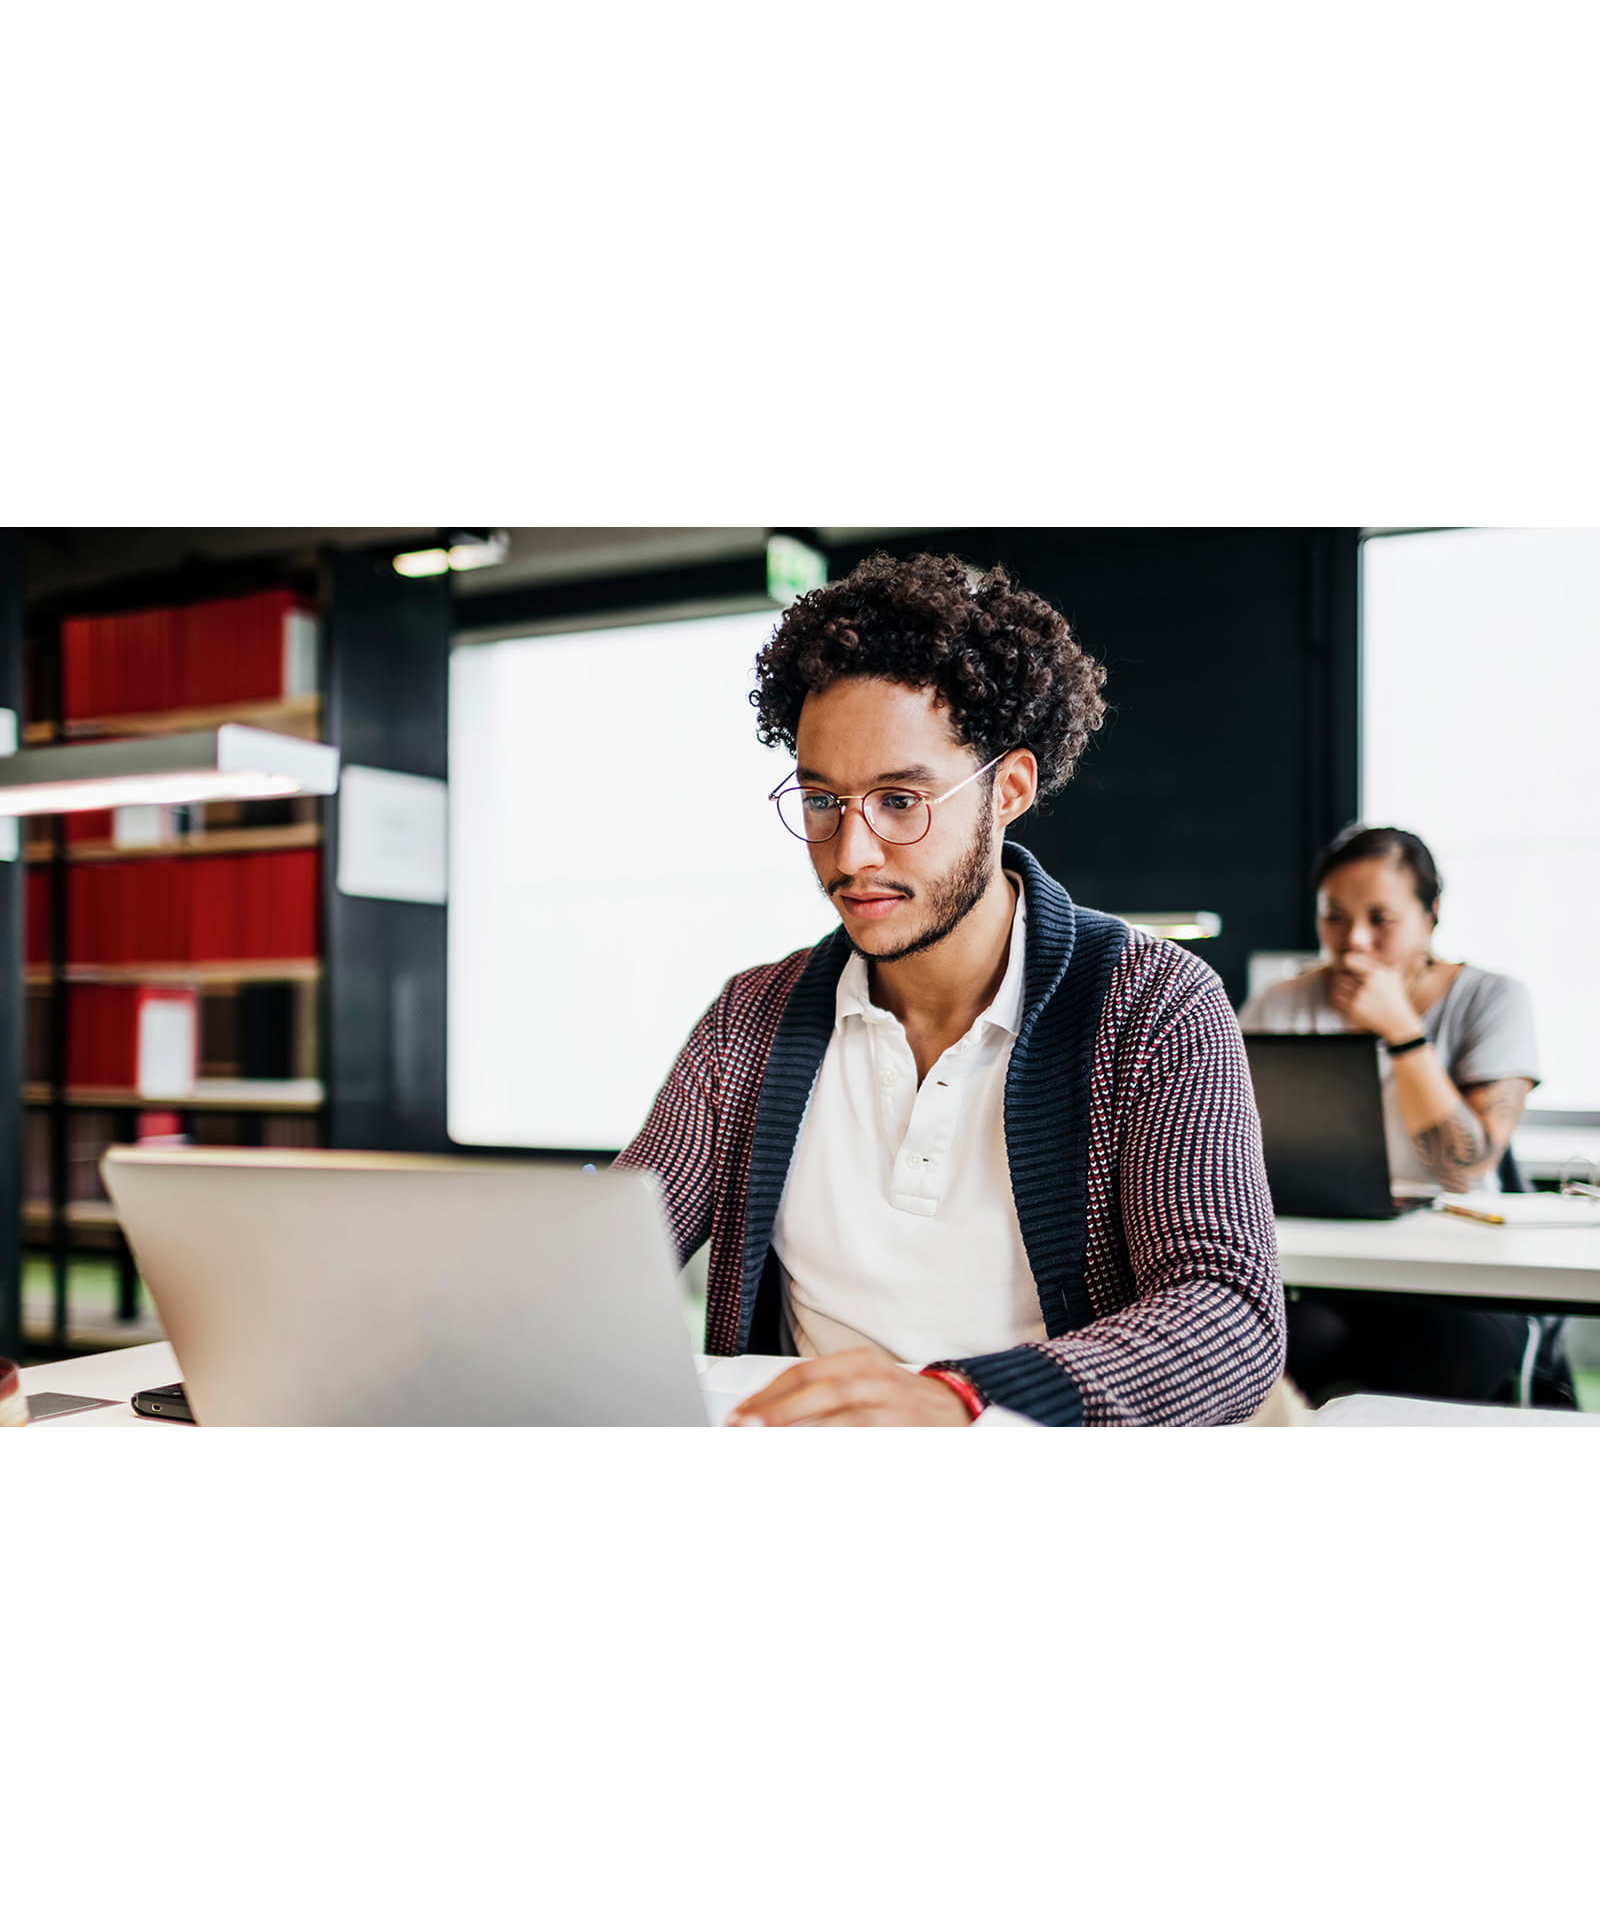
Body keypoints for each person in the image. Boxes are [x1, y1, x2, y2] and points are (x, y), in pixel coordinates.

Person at [616, 551, 1285, 1427]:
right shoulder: (753, 1016)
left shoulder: (1151, 1004)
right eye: (822, 801)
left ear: (1008, 790)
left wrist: (961, 1401)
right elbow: (614, 1258)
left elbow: (1229, 1311)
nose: (850, 855)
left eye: (900, 800)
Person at [1239, 822, 1546, 1405]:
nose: (1353, 941)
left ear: (1431, 913)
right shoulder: (1281, 1003)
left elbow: (1463, 1166)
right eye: (1333, 916)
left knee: (1443, 1360)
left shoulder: (1492, 999)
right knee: (1265, 1358)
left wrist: (1402, 1032)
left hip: (1463, 1281)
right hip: (1333, 1269)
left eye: (1381, 919)